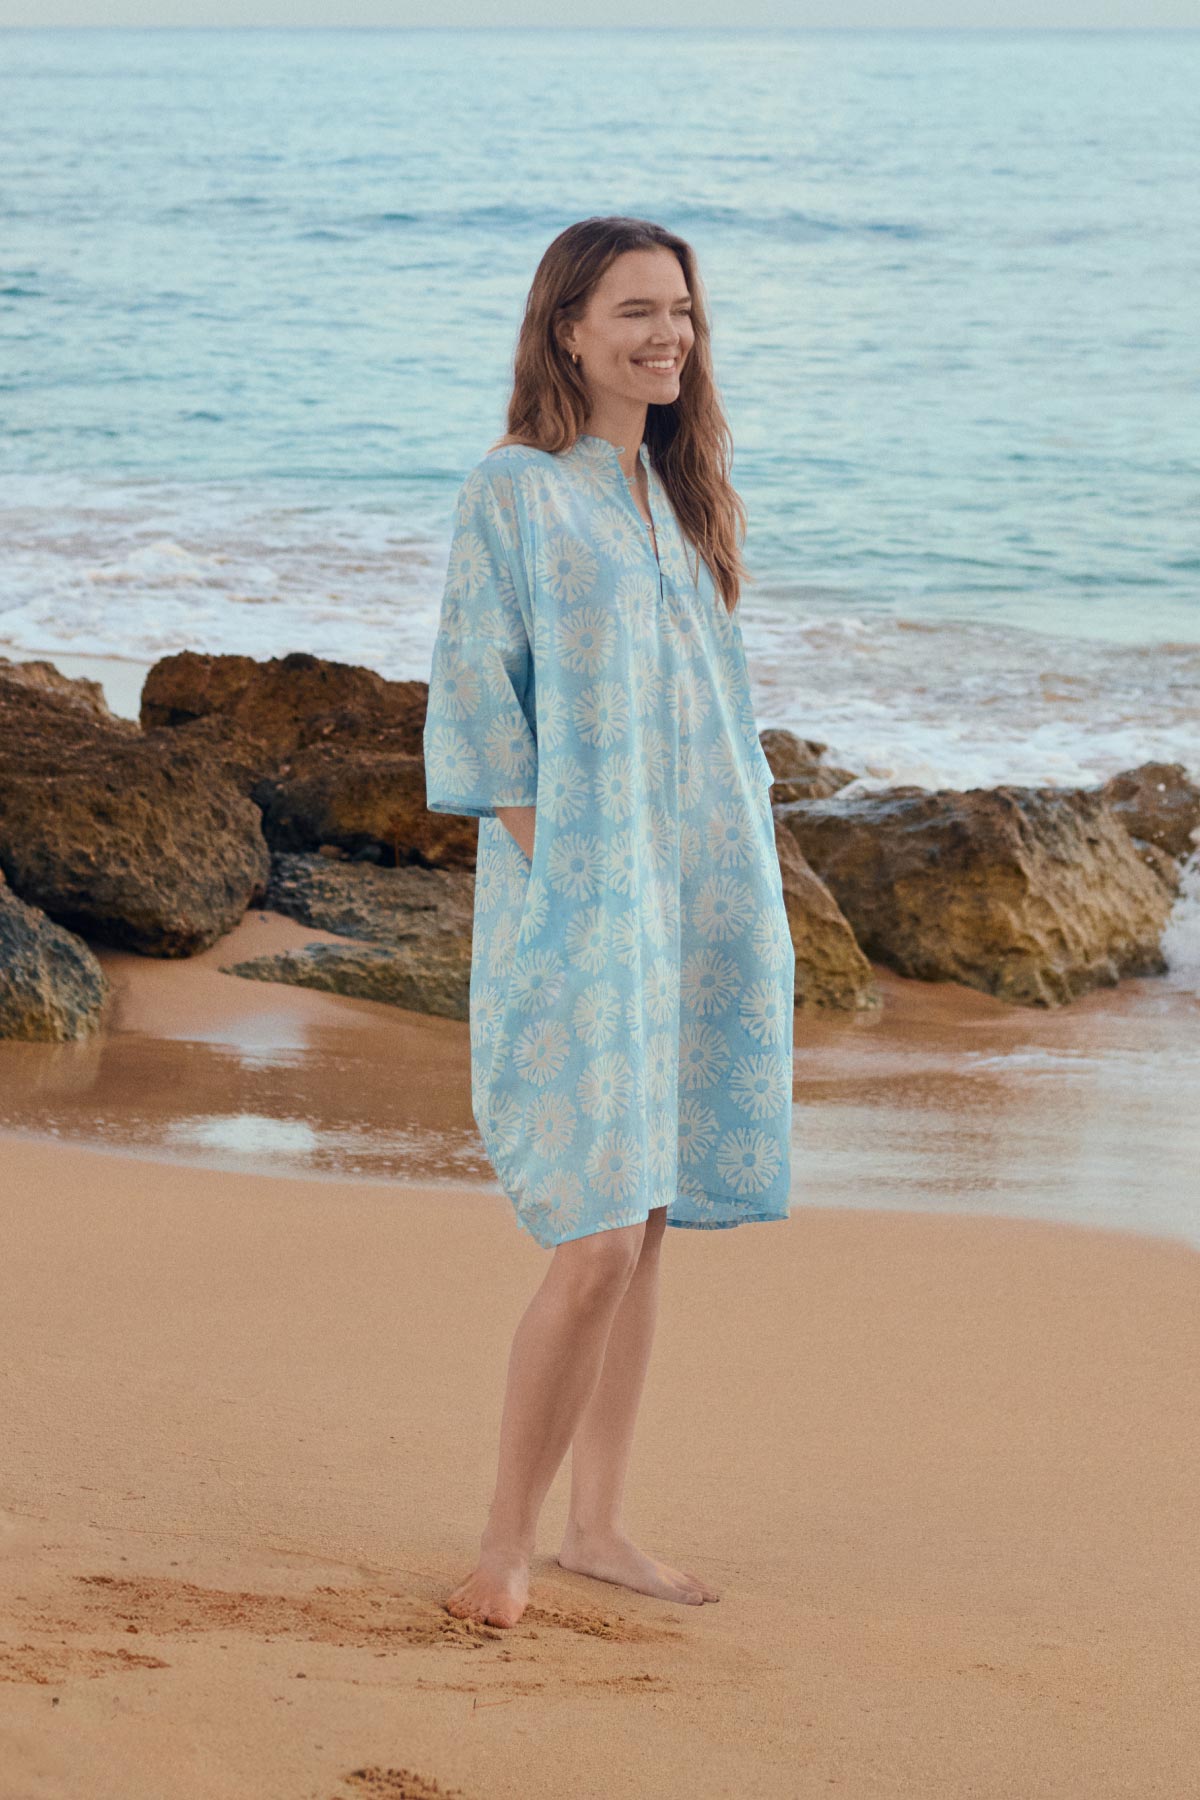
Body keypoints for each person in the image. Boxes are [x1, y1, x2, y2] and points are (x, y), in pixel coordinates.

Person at [423, 216, 795, 1628]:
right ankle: (505, 1544)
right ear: (568, 326)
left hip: (697, 899)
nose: (667, 337)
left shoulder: (680, 501)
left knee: (643, 1225)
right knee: (592, 1238)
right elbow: (477, 711)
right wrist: (569, 879)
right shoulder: (514, 493)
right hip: (582, 908)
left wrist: (736, 886)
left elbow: (717, 729)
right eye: (637, 311)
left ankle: (599, 1525)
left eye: (683, 315)